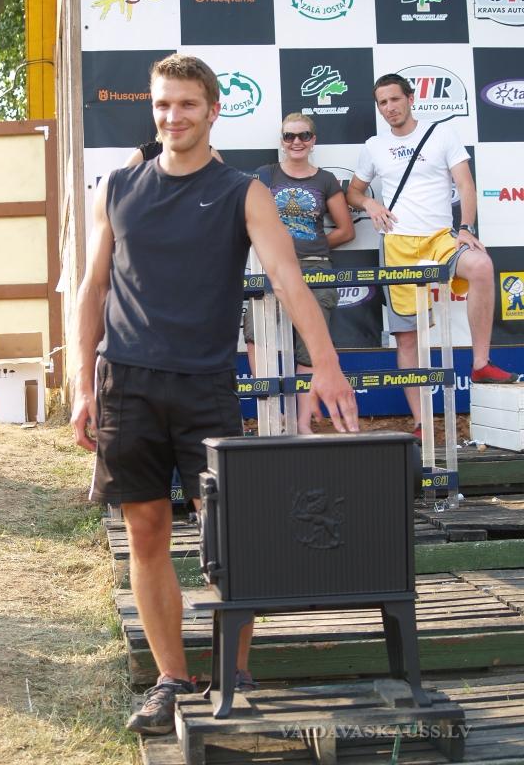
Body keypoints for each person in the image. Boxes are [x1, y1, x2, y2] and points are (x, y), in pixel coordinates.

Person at [71, 53, 359, 736]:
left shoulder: (243, 191)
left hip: (205, 386)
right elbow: (92, 288)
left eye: (187, 105)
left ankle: (235, 673)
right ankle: (171, 679)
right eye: (162, 104)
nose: (173, 116)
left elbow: (288, 280)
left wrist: (326, 364)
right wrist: (82, 385)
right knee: (145, 532)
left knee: (230, 538)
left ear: (213, 110)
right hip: (126, 384)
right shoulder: (117, 186)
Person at [347, 73, 517, 439]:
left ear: (411, 99)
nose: (389, 108)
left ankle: (481, 362)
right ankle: (421, 421)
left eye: (395, 99)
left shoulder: (442, 133)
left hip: (440, 237)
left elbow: (465, 184)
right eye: (382, 103)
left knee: (481, 266)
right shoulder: (374, 146)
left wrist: (466, 227)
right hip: (397, 243)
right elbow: (354, 192)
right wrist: (369, 203)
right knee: (407, 338)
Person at [244, 113, 355, 433]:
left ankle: (302, 423)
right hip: (270, 267)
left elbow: (346, 230)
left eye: (304, 135)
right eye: (289, 136)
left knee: (310, 346)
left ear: (313, 140)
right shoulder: (264, 175)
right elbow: (248, 219)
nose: (296, 141)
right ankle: (271, 417)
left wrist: (312, 245)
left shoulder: (326, 179)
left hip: (315, 267)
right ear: (281, 141)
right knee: (255, 336)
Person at [123, 135, 223, 166]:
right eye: (165, 106)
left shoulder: (209, 153)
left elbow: (223, 187)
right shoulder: (145, 153)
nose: (174, 118)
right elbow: (122, 184)